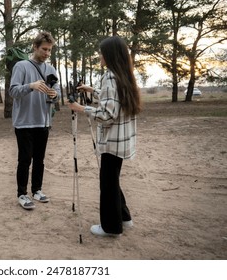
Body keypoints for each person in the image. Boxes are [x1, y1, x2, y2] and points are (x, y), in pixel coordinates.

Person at [68, 35, 142, 236]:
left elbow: (107, 115)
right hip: (122, 141)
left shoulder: (110, 76)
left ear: (109, 55)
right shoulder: (123, 75)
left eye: (101, 52)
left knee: (108, 183)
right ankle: (124, 218)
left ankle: (111, 227)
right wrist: (93, 90)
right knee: (112, 180)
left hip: (111, 141)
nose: (99, 55)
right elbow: (115, 99)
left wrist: (82, 108)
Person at [9, 31, 61, 210]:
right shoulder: (21, 66)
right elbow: (13, 92)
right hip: (24, 123)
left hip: (43, 122)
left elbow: (57, 92)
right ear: (35, 47)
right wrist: (30, 86)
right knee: (25, 160)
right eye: (44, 49)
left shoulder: (51, 69)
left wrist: (55, 95)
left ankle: (37, 190)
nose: (47, 54)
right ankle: (22, 194)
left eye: (50, 50)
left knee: (40, 159)